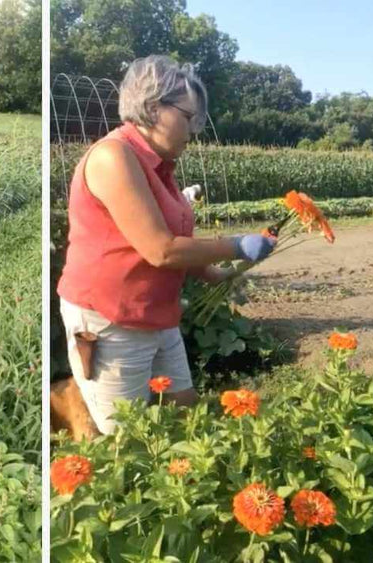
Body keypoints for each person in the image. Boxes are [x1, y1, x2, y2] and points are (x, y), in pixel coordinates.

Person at [55, 55, 276, 435]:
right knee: (128, 438)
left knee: (184, 416)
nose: (193, 131)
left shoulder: (159, 165)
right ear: (154, 107)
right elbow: (161, 249)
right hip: (110, 320)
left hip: (157, 317)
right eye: (189, 118)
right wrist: (236, 245)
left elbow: (177, 241)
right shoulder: (113, 157)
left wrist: (215, 273)